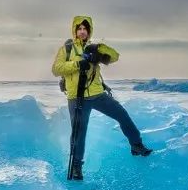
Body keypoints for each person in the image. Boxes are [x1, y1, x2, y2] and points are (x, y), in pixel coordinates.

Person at [52, 15, 152, 181]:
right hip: (77, 98)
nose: (82, 32)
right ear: (75, 30)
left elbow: (115, 56)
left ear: (89, 31)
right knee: (79, 133)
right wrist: (77, 64)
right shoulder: (67, 49)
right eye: (79, 29)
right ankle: (76, 166)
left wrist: (99, 51)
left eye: (85, 29)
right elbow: (57, 69)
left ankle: (136, 145)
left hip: (98, 94)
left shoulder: (94, 47)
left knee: (122, 114)